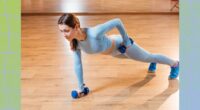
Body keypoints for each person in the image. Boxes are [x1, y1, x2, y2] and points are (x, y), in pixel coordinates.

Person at [57, 13, 179, 97]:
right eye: (61, 31)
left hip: (122, 46)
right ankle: (151, 60)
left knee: (148, 57)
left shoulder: (94, 33)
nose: (64, 35)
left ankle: (175, 64)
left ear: (76, 26)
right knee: (144, 57)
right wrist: (80, 87)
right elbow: (78, 64)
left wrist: (126, 41)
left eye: (66, 30)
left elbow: (117, 21)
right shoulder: (75, 43)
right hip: (113, 52)